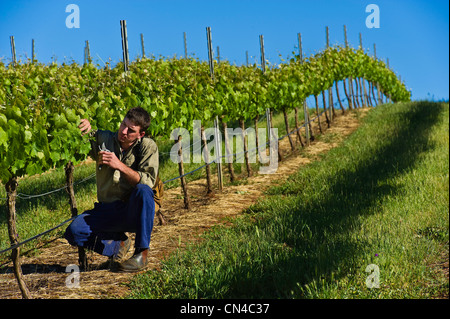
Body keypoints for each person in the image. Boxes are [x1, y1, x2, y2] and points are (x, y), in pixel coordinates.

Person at [64, 107, 159, 272]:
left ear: (140, 134)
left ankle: (141, 254)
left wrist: (119, 165)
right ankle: (117, 246)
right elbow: (86, 136)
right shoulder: (104, 138)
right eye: (123, 124)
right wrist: (83, 126)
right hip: (107, 209)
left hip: (133, 211)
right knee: (74, 231)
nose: (123, 131)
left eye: (130, 130)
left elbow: (148, 181)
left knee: (144, 191)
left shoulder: (147, 146)